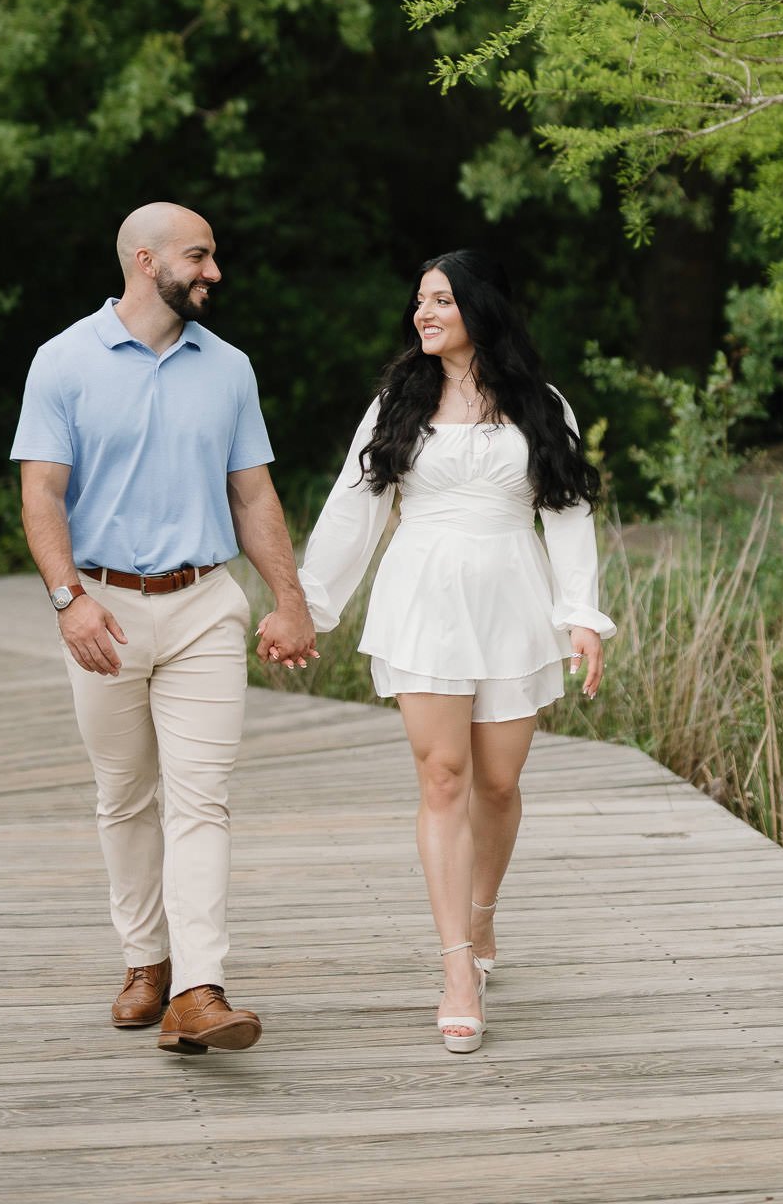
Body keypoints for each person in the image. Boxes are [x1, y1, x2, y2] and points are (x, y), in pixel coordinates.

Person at [263, 249, 614, 1055]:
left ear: (479, 309)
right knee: (444, 778)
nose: (422, 313)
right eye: (418, 300)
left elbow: (566, 515)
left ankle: (482, 914)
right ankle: (456, 967)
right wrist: (305, 608)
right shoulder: (398, 401)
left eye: (440, 300)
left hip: (513, 602)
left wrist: (581, 615)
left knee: (497, 783)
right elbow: (353, 509)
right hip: (421, 599)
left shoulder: (539, 403)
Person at [12, 202, 316, 1055]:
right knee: (124, 797)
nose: (214, 271)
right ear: (145, 262)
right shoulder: (62, 361)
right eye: (199, 256)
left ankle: (196, 989)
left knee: (200, 799)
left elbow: (252, 495)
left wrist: (288, 600)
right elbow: (41, 492)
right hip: (102, 607)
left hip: (203, 607)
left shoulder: (228, 369)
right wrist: (69, 600)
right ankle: (145, 961)